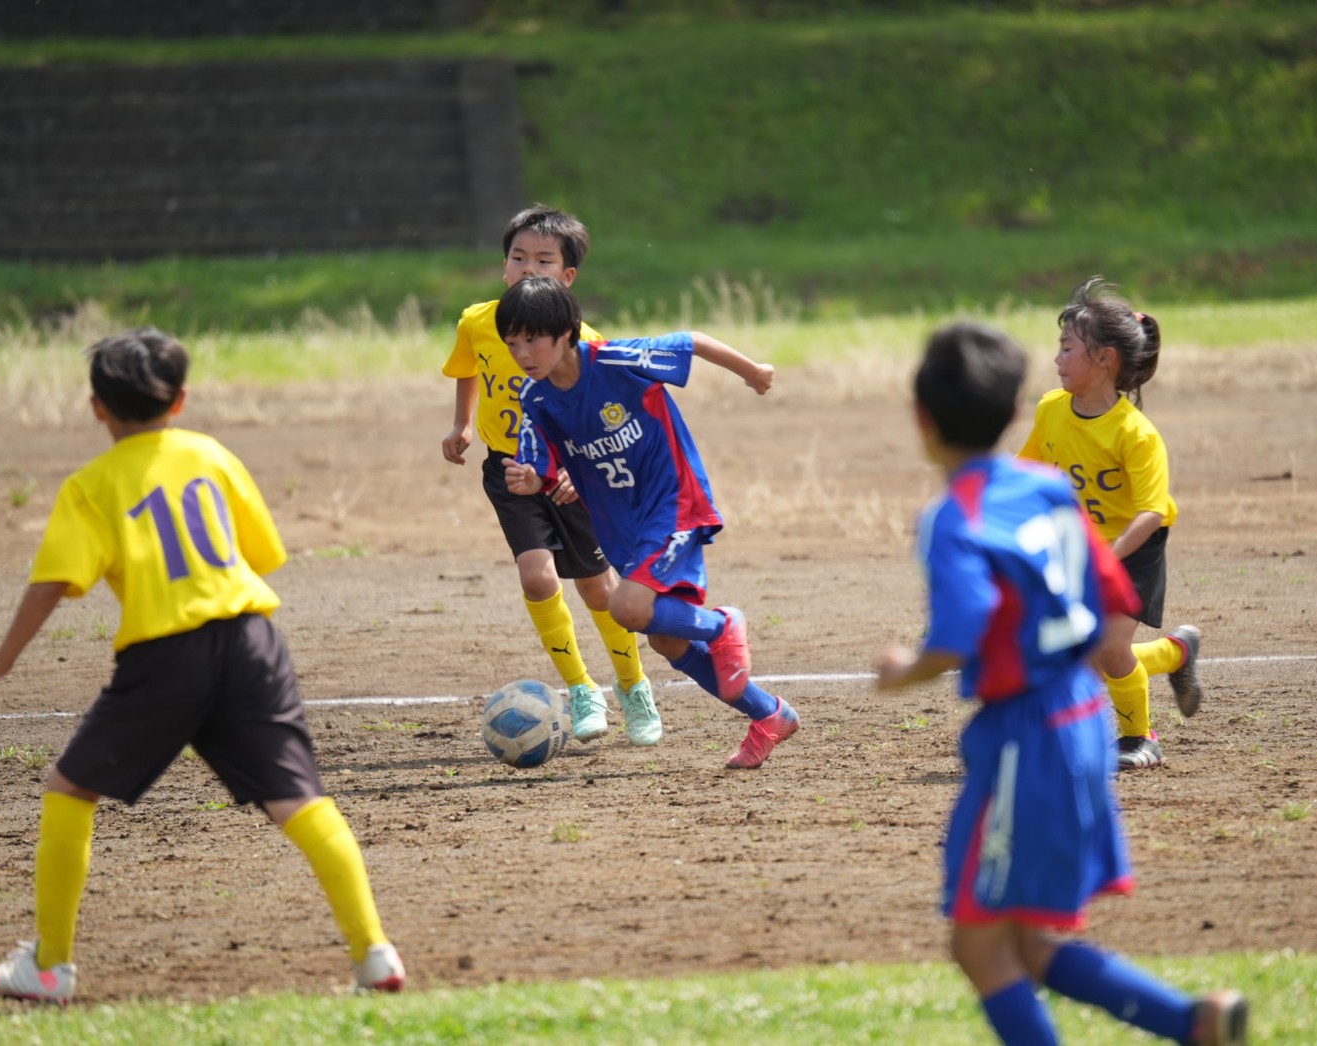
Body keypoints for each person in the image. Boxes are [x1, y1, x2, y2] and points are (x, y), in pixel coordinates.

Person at [0, 329, 404, 1004]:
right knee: (297, 798)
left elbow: (52, 582)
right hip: (253, 640)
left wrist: (3, 657)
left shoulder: (92, 484)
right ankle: (374, 956)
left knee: (68, 788)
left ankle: (49, 966)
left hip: (167, 654)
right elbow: (263, 553)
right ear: (181, 399)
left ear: (96, 408)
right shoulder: (210, 454)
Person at [874, 320, 1247, 1045]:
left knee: (979, 946)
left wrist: (904, 671)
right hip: (1081, 721)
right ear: (1018, 408)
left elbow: (959, 631)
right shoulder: (1048, 489)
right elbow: (1110, 600)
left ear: (922, 419)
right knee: (1030, 945)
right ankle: (1193, 1023)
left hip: (1024, 737)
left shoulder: (952, 517)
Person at [496, 276, 800, 770]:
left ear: (568, 331)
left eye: (532, 338)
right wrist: (530, 480)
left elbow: (692, 342)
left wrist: (753, 371)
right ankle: (770, 715)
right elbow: (538, 469)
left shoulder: (616, 361)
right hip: (622, 528)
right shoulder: (536, 401)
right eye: (512, 342)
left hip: (673, 502)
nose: (522, 352)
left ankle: (723, 625)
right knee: (667, 640)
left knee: (626, 606)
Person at [440, 204, 660, 747]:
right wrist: (462, 426)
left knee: (597, 587)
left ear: (567, 276)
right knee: (537, 577)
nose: (527, 268)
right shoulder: (476, 322)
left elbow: (604, 416)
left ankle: (632, 685)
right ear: (503, 265)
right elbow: (468, 370)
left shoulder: (585, 341)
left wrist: (579, 471)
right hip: (510, 471)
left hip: (572, 472)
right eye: (518, 257)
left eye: (544, 260)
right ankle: (581, 688)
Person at [1017, 276, 1203, 771]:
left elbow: (1151, 510)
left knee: (1107, 646)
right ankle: (1174, 655)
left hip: (1133, 549)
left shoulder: (1135, 434)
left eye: (1067, 347)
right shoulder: (1052, 410)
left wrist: (1109, 553)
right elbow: (1030, 469)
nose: (1056, 358)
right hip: (1079, 546)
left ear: (1105, 359)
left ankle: (1138, 738)